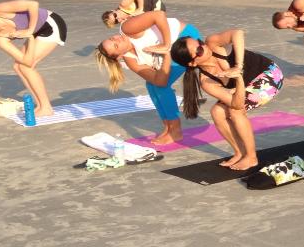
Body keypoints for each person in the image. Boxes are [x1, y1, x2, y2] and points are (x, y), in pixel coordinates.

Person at [171, 30, 283, 170]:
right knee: (217, 112)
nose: (203, 47)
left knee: (236, 112)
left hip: (270, 74)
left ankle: (251, 157)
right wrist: (238, 80)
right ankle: (239, 152)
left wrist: (238, 67)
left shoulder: (212, 43)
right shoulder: (206, 81)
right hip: (244, 85)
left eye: (200, 43)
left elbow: (238, 33)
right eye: (199, 50)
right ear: (192, 63)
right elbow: (237, 103)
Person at [95, 11, 199, 144]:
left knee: (162, 88)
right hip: (174, 51)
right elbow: (158, 80)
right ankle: (168, 127)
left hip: (186, 39)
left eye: (112, 38)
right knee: (152, 85)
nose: (117, 39)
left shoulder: (127, 28)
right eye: (116, 45)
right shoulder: (131, 60)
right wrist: (166, 54)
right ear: (119, 56)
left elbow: (159, 15)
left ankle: (176, 131)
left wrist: (166, 44)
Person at [0, 0, 68, 117]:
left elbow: (33, 4)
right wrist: (30, 38)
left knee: (26, 68)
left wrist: (29, 30)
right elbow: (27, 60)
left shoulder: (0, 10)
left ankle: (46, 107)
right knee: (18, 66)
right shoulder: (1, 39)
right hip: (36, 33)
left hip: (51, 23)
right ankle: (40, 105)